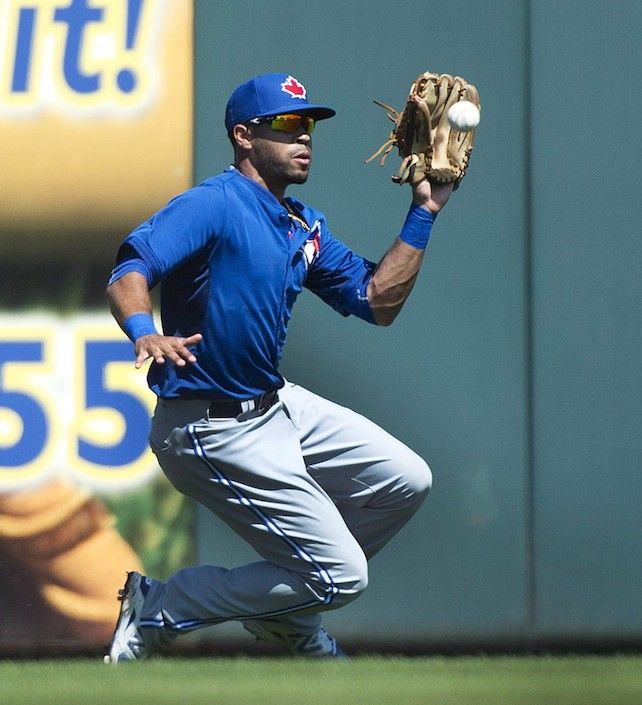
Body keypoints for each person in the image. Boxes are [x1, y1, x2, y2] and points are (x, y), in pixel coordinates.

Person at [104, 72, 453, 662]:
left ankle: (289, 616)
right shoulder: (212, 204)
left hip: (276, 404)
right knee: (343, 576)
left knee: (406, 480)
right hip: (208, 424)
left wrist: (423, 212)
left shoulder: (299, 225)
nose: (305, 137)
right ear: (243, 136)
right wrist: (144, 330)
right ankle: (161, 608)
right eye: (287, 124)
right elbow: (129, 269)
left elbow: (376, 302)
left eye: (308, 125)